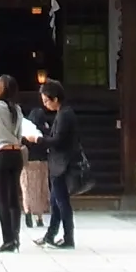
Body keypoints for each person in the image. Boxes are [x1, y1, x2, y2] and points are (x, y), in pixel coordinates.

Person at [0, 74, 30, 253]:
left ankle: (7, 239)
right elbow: (19, 135)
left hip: (1, 153)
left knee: (1, 199)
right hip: (15, 152)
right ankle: (16, 237)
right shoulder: (17, 109)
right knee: (13, 198)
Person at [33, 79, 78, 249]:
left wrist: (39, 139)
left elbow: (58, 140)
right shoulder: (63, 113)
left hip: (62, 164)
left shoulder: (65, 114)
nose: (45, 105)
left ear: (55, 98)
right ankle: (50, 235)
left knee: (62, 202)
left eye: (46, 101)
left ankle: (68, 237)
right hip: (59, 163)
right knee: (56, 202)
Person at [21, 101, 53, 229]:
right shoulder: (46, 130)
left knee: (27, 187)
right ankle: (39, 218)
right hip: (43, 162)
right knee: (41, 189)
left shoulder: (27, 130)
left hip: (28, 162)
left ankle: (28, 211)